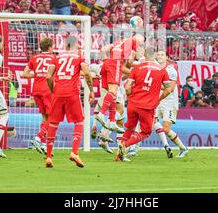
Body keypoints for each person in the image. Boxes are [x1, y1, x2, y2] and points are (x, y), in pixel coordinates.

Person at [117, 46, 174, 162]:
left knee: (130, 128)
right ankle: (125, 145)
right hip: (147, 106)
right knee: (146, 132)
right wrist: (159, 99)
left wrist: (130, 97)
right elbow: (169, 89)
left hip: (133, 103)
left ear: (145, 55)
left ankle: (119, 156)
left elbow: (127, 87)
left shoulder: (137, 68)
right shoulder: (161, 70)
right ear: (155, 55)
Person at [45, 36, 95, 168]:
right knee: (79, 121)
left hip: (58, 92)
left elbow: (48, 76)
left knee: (53, 123)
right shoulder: (79, 57)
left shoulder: (56, 58)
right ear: (75, 45)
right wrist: (91, 90)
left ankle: (49, 157)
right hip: (72, 93)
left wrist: (53, 90)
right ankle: (74, 152)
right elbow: (87, 73)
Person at [95, 34, 144, 132]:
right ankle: (101, 114)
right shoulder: (134, 43)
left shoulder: (119, 41)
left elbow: (103, 50)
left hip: (107, 62)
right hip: (115, 63)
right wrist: (136, 70)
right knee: (113, 91)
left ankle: (112, 121)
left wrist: (106, 61)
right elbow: (129, 61)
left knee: (112, 94)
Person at [23, 37, 56, 155]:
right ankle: (38, 137)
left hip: (36, 90)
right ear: (50, 47)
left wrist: (37, 75)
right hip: (47, 90)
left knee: (45, 117)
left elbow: (25, 74)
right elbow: (53, 75)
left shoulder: (34, 58)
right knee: (52, 118)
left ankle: (42, 143)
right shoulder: (54, 58)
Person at [153, 51, 188, 158]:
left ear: (166, 58)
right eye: (158, 55)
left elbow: (171, 88)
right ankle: (134, 149)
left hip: (168, 102)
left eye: (162, 55)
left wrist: (155, 84)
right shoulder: (154, 69)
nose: (159, 56)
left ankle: (183, 148)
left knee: (166, 129)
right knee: (150, 122)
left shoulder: (171, 70)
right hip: (156, 100)